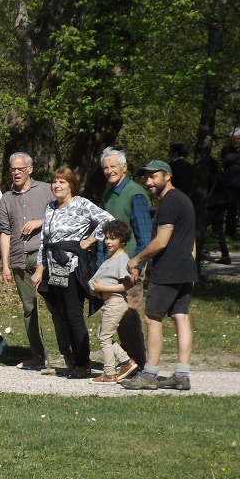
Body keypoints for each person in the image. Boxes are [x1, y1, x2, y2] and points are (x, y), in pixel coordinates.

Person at [121, 161, 198, 391]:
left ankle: (150, 374)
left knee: (152, 318)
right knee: (180, 317)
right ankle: (182, 375)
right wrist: (190, 271)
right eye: (146, 178)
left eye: (153, 177)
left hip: (168, 269)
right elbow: (191, 241)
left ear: (168, 176)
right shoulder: (185, 200)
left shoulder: (169, 202)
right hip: (185, 268)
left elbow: (161, 241)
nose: (148, 182)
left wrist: (136, 259)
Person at [32, 166, 114, 379]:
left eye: (62, 182)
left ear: (71, 185)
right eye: (54, 181)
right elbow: (45, 240)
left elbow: (108, 220)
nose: (57, 185)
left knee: (74, 315)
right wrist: (40, 268)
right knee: (62, 314)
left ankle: (82, 363)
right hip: (53, 266)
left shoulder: (81, 204)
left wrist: (91, 239)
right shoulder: (51, 207)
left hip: (73, 266)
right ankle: (73, 359)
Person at [0, 152, 54, 369]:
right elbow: (4, 231)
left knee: (55, 306)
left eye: (20, 169)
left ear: (30, 169)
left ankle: (70, 353)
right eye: (13, 169)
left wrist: (40, 221)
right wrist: (5, 263)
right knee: (29, 308)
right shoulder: (7, 197)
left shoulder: (47, 190)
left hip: (44, 257)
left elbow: (61, 214)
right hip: (19, 259)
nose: (16, 173)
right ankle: (37, 355)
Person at [100, 148, 151, 368]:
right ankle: (126, 362)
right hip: (112, 268)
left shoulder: (135, 193)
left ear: (124, 167)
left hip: (130, 267)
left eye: (113, 166)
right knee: (116, 317)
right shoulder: (108, 194)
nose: (110, 171)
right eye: (106, 167)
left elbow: (146, 236)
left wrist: (137, 265)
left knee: (129, 316)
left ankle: (138, 363)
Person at [88, 220, 138, 383]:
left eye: (113, 238)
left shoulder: (123, 259)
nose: (108, 242)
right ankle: (126, 362)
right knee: (102, 335)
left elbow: (126, 285)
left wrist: (103, 287)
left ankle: (109, 373)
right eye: (107, 238)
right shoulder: (111, 259)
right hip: (108, 302)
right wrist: (97, 290)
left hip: (116, 302)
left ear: (122, 240)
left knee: (104, 337)